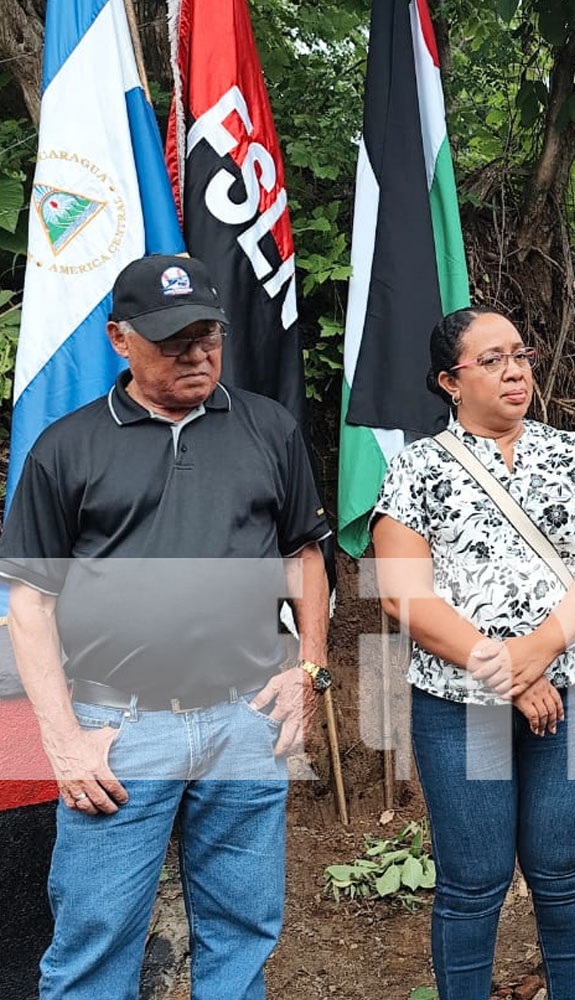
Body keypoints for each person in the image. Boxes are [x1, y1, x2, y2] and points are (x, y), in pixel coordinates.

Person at [0, 253, 331, 999]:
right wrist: (63, 740)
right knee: (94, 947)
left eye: (207, 334)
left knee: (242, 940)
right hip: (117, 732)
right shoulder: (69, 447)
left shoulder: (267, 428)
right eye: (172, 339)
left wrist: (307, 670)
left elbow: (304, 557)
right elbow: (31, 606)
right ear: (120, 339)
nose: (196, 353)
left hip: (247, 721)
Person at [372, 308, 575, 1000]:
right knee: (474, 881)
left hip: (572, 691)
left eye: (521, 354)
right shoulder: (418, 469)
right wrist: (503, 670)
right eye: (493, 360)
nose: (516, 370)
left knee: (566, 871)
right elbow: (403, 596)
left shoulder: (567, 453)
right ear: (449, 381)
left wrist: (536, 653)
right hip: (461, 708)